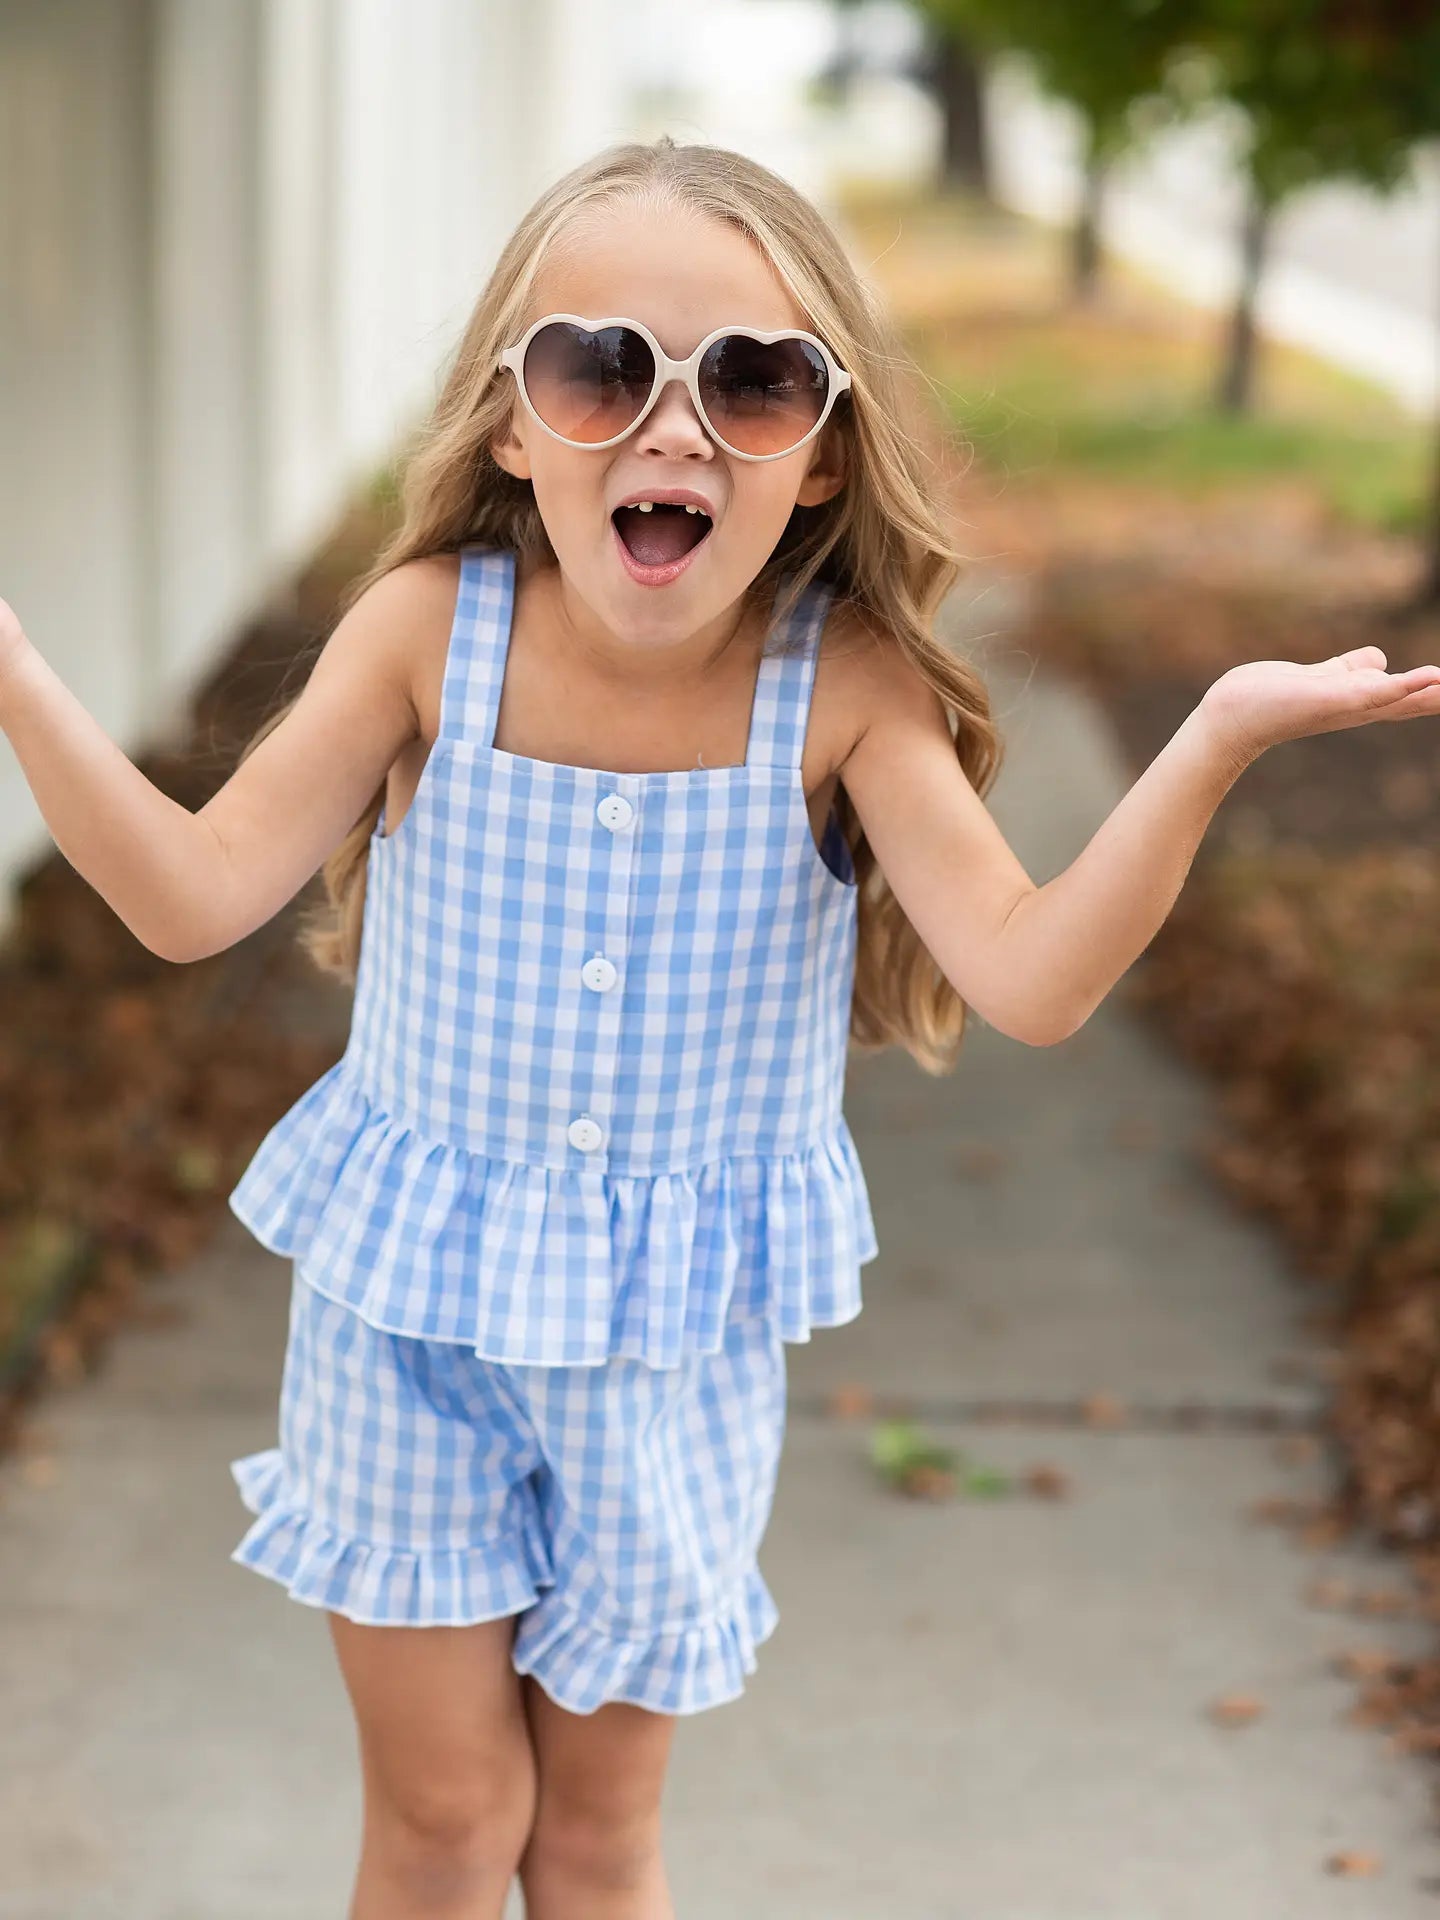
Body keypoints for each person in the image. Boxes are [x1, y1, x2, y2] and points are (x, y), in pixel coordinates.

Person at [2, 134, 1438, 1920]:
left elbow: (1037, 977)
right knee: (446, 1831)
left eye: (753, 381)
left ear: (823, 453)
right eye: (601, 365)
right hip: (404, 1326)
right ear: (515, 422)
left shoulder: (843, 690)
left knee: (593, 1844)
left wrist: (1212, 735)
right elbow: (191, 894)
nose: (671, 427)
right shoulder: (422, 636)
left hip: (667, 1360)